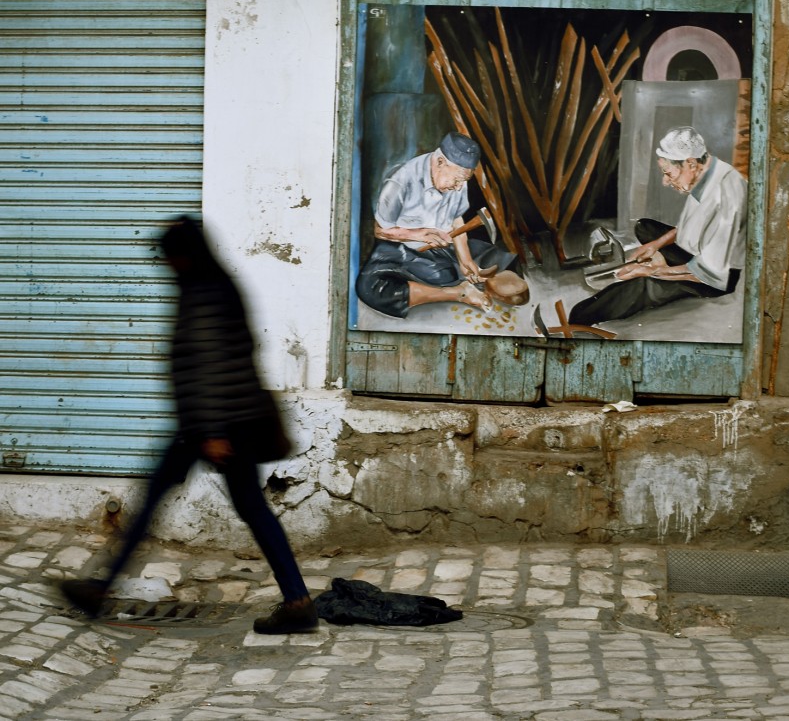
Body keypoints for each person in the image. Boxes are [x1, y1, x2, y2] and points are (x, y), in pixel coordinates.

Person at [59, 216, 317, 635]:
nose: (166, 263)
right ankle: (298, 601)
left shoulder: (204, 293)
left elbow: (209, 362)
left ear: (184, 256)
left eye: (170, 255)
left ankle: (100, 588)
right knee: (247, 508)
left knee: (162, 501)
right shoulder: (216, 285)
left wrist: (212, 431)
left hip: (214, 428)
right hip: (221, 423)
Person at [569, 125, 747, 326]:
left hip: (715, 278)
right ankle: (662, 262)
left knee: (643, 286)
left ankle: (579, 318)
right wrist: (654, 245)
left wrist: (651, 271)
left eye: (668, 173)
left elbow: (710, 272)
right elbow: (690, 227)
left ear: (690, 163)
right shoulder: (707, 170)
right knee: (644, 227)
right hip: (701, 254)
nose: (665, 181)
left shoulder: (724, 196)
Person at [355, 132, 518, 317]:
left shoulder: (458, 179)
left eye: (463, 181)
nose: (458, 187)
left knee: (490, 258)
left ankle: (469, 277)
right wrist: (417, 234)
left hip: (443, 243)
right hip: (400, 245)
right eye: (456, 180)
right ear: (440, 162)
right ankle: (459, 293)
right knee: (371, 288)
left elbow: (457, 220)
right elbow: (380, 230)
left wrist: (466, 260)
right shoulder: (400, 181)